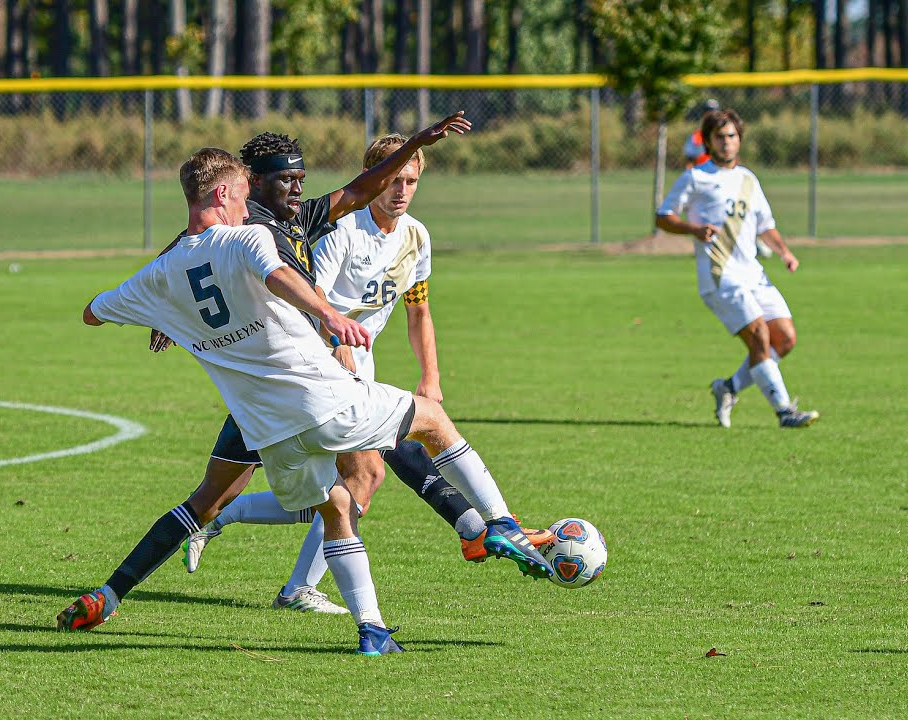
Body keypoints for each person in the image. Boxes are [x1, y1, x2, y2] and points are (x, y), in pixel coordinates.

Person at [60, 145, 552, 655]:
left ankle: (373, 632)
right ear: (224, 193)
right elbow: (277, 274)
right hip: (320, 398)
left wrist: (164, 313)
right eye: (245, 195)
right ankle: (500, 526)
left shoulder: (159, 275)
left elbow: (93, 313)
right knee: (430, 419)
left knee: (338, 507)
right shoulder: (245, 238)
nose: (250, 207)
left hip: (267, 430)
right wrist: (329, 316)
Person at [181, 133, 552, 600]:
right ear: (375, 180)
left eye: (411, 181)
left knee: (356, 480)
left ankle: (282, 570)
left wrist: (430, 376)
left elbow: (419, 310)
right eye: (393, 179)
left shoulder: (416, 236)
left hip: (356, 361)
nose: (400, 190)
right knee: (367, 469)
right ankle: (481, 526)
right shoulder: (342, 232)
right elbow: (312, 299)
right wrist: (335, 342)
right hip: (312, 362)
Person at [654, 107, 820, 430]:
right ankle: (785, 411)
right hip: (720, 276)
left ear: (739, 139)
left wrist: (785, 252)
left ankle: (727, 388)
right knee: (759, 334)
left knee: (784, 338)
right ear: (708, 142)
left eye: (731, 136)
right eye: (720, 137)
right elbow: (663, 216)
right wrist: (693, 229)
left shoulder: (748, 180)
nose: (727, 142)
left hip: (752, 273)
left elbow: (765, 226)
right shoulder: (697, 178)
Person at [684, 99, 772, 258]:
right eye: (707, 111)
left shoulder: (726, 132)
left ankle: (752, 242)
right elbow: (689, 159)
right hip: (705, 178)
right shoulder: (697, 137)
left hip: (724, 176)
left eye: (713, 111)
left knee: (739, 210)